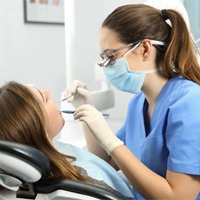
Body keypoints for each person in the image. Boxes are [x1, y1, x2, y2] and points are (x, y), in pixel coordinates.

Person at [65, 4, 200, 199]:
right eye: (103, 59)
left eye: (111, 57)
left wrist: (112, 141)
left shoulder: (190, 103)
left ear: (145, 48)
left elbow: (178, 196)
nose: (107, 67)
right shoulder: (138, 104)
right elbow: (105, 160)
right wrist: (86, 109)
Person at [0, 81, 134, 198]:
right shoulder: (85, 184)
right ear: (38, 127)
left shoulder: (49, 154)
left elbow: (98, 163)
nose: (48, 91)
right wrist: (111, 143)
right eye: (44, 98)